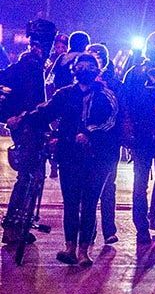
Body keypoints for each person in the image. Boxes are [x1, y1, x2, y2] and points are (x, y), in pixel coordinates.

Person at [11, 52, 118, 266]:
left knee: (89, 203)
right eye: (80, 66)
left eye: (89, 66)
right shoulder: (65, 94)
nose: (83, 70)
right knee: (70, 202)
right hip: (69, 154)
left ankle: (83, 250)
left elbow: (110, 120)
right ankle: (70, 247)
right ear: (74, 70)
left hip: (97, 158)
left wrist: (89, 133)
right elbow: (45, 112)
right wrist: (22, 120)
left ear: (97, 71)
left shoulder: (106, 95)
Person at [1, 19, 57, 247]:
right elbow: (36, 103)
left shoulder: (24, 64)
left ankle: (17, 226)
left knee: (28, 176)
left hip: (23, 126)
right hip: (29, 128)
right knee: (29, 177)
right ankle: (14, 227)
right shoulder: (33, 66)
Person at [120, 31, 155, 245]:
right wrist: (129, 131)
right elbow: (125, 104)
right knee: (145, 184)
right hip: (144, 134)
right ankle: (144, 227)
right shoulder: (136, 72)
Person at [86, 43, 123, 244]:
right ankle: (88, 230)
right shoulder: (82, 85)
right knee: (87, 187)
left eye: (100, 56)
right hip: (87, 143)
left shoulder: (113, 84)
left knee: (108, 185)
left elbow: (119, 112)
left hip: (109, 142)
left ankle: (109, 229)